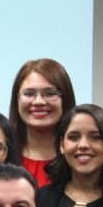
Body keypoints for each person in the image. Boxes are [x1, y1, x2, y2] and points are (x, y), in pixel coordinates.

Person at [9, 57, 74, 187]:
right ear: (17, 100)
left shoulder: (79, 157)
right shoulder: (2, 156)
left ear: (65, 98)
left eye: (49, 93)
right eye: (29, 94)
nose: (38, 101)